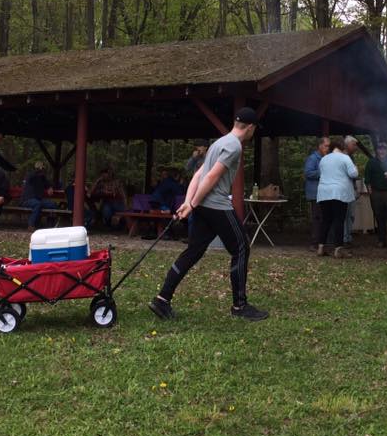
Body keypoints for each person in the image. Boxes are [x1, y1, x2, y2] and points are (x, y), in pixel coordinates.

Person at [149, 107, 268, 321]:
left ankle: (162, 299)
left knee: (193, 251)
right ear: (250, 127)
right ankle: (240, 307)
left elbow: (198, 175)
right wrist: (191, 204)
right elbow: (211, 176)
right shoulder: (234, 147)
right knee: (241, 247)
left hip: (203, 206)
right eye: (254, 130)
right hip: (216, 205)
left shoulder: (219, 143)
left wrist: (189, 202)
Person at [316, 138, 359, 259]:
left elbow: (322, 173)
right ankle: (338, 249)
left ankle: (321, 247)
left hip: (324, 192)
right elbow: (353, 174)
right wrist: (356, 168)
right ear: (343, 148)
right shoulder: (345, 158)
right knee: (339, 220)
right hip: (339, 192)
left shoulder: (324, 159)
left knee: (326, 220)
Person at [364, 141, 387, 249]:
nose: (382, 151)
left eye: (384, 148)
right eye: (380, 149)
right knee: (379, 217)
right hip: (376, 193)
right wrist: (371, 193)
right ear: (377, 150)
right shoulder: (371, 162)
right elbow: (367, 179)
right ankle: (381, 240)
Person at [303, 137, 331, 250]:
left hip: (324, 193)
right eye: (326, 146)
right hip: (315, 193)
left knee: (324, 218)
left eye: (329, 146)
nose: (328, 148)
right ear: (320, 146)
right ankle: (314, 243)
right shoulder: (313, 158)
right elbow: (308, 173)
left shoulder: (327, 158)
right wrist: (323, 171)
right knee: (317, 218)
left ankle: (322, 242)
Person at [20, 161, 58, 231]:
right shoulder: (31, 175)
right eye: (41, 169)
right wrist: (38, 171)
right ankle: (31, 225)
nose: (43, 170)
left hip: (38, 200)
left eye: (43, 169)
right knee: (37, 204)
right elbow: (31, 177)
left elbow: (48, 184)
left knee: (53, 204)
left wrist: (50, 187)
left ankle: (50, 225)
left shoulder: (42, 177)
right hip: (27, 200)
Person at [90, 165, 126, 229]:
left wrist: (125, 202)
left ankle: (121, 224)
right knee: (106, 211)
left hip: (118, 202)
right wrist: (97, 181)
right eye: (102, 175)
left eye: (105, 174)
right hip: (107, 203)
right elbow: (91, 192)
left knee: (124, 212)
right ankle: (109, 225)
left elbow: (122, 193)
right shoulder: (101, 183)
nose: (103, 176)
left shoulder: (117, 182)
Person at [341, 135, 361, 247]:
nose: (355, 147)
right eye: (354, 145)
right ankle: (344, 239)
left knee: (351, 215)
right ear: (347, 144)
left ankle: (348, 237)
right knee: (345, 215)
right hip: (344, 190)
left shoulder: (351, 157)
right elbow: (352, 173)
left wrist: (356, 188)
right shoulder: (342, 157)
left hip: (351, 189)